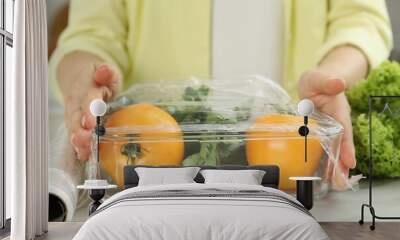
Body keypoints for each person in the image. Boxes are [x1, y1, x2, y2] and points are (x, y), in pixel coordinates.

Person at [50, 0, 393, 180]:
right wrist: (83, 77)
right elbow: (91, 34)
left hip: (294, 157)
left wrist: (332, 76)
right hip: (151, 169)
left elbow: (361, 20)